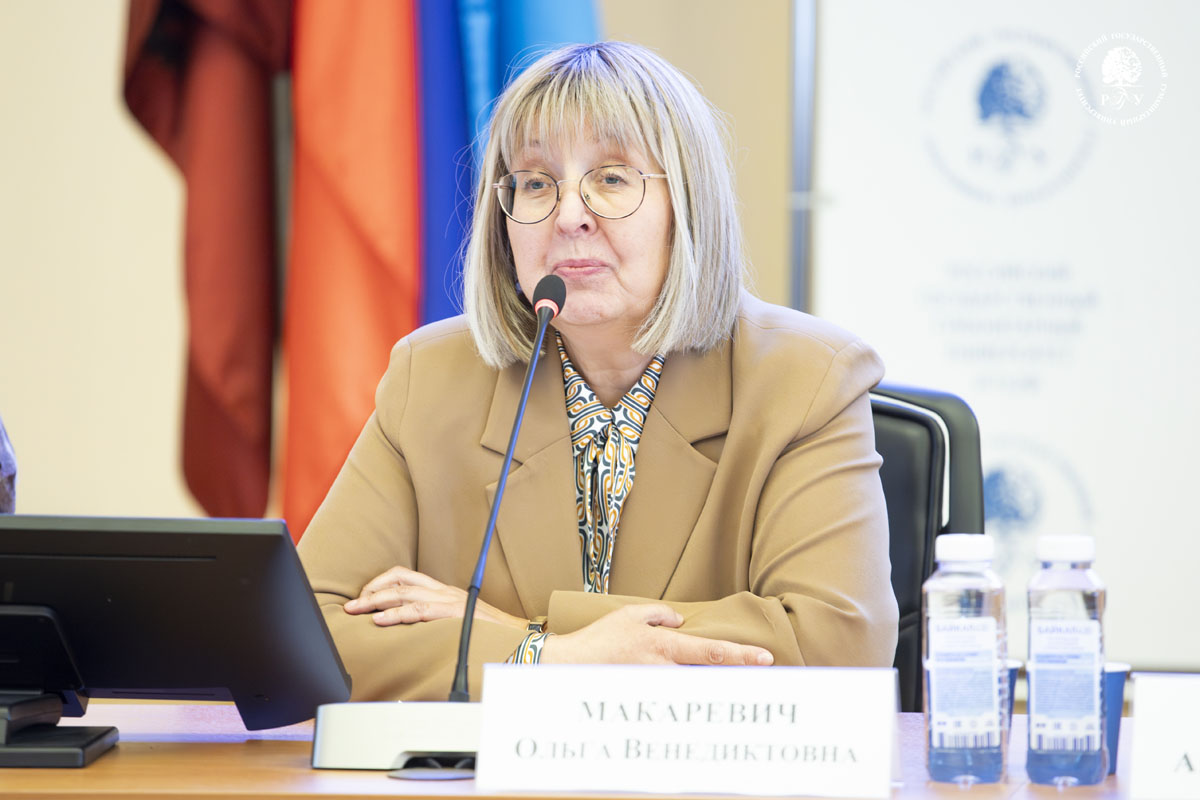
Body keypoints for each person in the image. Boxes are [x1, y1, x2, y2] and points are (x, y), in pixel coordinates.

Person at [297, 41, 898, 701]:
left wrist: (532, 641)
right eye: (535, 182)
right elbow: (308, 632)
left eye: (612, 178)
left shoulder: (806, 380)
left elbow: (838, 646)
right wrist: (554, 655)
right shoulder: (430, 377)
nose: (569, 216)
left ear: (687, 205)